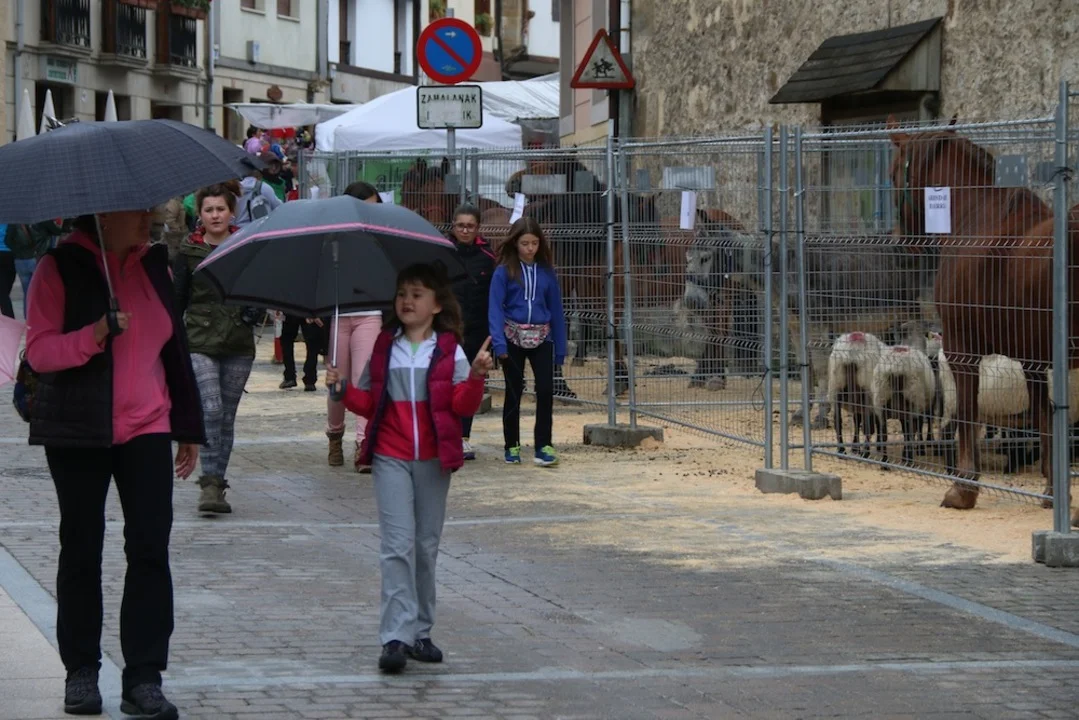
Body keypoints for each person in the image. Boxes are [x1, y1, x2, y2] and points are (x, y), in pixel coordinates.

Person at [25, 211, 204, 719]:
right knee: (82, 548)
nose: (148, 218)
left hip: (147, 425)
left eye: (149, 210)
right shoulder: (58, 267)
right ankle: (81, 670)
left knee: (150, 549)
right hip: (80, 429)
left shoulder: (154, 267)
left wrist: (188, 425)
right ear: (103, 217)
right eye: (136, 212)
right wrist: (97, 332)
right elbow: (40, 353)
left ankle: (144, 678)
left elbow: (174, 349)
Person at [325, 263, 493, 673]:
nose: (407, 301)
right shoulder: (385, 346)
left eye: (417, 294)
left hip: (435, 460)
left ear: (436, 305)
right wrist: (342, 389)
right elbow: (369, 403)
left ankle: (421, 632)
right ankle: (395, 637)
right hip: (390, 456)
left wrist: (475, 377)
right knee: (396, 546)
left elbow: (462, 407)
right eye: (402, 293)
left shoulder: (450, 349)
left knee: (425, 547)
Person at [173, 185, 259, 515]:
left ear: (231, 212)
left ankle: (217, 484)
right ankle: (208, 483)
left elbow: (258, 288)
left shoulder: (245, 247)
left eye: (220, 209)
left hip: (238, 341)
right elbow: (177, 299)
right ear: (200, 215)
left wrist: (254, 311)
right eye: (209, 210)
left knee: (226, 417)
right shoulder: (188, 251)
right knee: (211, 408)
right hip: (199, 340)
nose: (215, 215)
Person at [488, 217, 566, 467]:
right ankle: (511, 444)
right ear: (515, 243)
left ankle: (544, 445)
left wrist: (560, 347)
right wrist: (499, 344)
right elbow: (495, 308)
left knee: (545, 390)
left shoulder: (547, 273)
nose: (530, 248)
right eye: (525, 243)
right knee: (513, 391)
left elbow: (556, 309)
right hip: (512, 338)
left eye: (534, 243)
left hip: (543, 338)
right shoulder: (503, 272)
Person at [326, 181, 384, 471]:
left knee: (364, 380)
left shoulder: (382, 237)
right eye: (364, 206)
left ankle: (364, 443)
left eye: (374, 207)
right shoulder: (334, 236)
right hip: (339, 314)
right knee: (337, 380)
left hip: (370, 313)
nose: (369, 213)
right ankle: (334, 435)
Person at [448, 204, 495, 461]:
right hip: (447, 329)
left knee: (470, 382)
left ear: (478, 228)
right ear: (453, 226)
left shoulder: (488, 257)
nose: (465, 230)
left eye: (470, 226)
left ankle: (463, 437)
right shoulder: (443, 252)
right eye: (460, 225)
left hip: (477, 330)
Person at [5, 219, 66, 318]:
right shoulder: (42, 220)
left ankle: (28, 318)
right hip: (37, 258)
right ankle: (41, 317)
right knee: (41, 290)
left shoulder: (14, 222)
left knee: (27, 292)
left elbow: (7, 241)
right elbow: (57, 231)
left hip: (20, 260)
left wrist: (18, 251)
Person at [279, 313, 323, 391]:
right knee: (312, 343)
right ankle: (310, 379)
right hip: (309, 309)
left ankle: (290, 376)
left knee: (287, 340)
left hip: (292, 309)